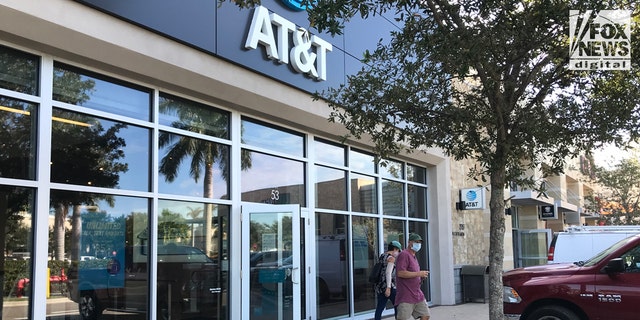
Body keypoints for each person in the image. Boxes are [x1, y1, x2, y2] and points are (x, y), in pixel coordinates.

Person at [395, 233, 430, 320]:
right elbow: (400, 273)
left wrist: (421, 276)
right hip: (406, 295)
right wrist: (419, 274)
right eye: (416, 242)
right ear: (410, 242)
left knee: (425, 315)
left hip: (417, 294)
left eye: (420, 242)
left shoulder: (413, 256)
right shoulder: (404, 254)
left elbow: (413, 273)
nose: (418, 244)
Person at [374, 240, 402, 320]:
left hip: (380, 286)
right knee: (397, 305)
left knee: (380, 307)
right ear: (395, 249)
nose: (398, 253)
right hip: (389, 286)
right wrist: (389, 288)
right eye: (398, 250)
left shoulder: (382, 256)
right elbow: (388, 273)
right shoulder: (391, 258)